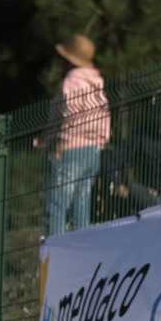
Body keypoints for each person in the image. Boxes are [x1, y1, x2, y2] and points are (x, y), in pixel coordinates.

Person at [44, 33, 110, 237]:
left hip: (71, 148)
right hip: (93, 151)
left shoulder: (73, 81)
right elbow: (104, 115)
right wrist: (101, 141)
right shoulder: (96, 81)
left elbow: (71, 114)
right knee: (82, 205)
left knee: (57, 204)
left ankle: (53, 256)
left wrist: (60, 144)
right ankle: (83, 252)